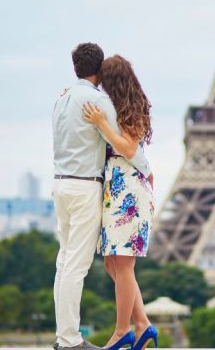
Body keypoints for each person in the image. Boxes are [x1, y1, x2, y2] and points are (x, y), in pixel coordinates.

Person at [52, 43, 152, 350]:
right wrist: (148, 170)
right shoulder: (98, 102)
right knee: (81, 266)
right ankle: (71, 340)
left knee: (67, 263)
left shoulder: (62, 99)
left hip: (63, 184)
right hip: (89, 187)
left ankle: (67, 336)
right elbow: (131, 150)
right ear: (99, 72)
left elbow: (125, 144)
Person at [82, 55, 158, 350]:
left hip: (129, 188)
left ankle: (122, 330)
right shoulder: (120, 108)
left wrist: (102, 123)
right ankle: (143, 325)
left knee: (122, 265)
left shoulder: (132, 108)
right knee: (113, 265)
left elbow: (127, 147)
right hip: (117, 188)